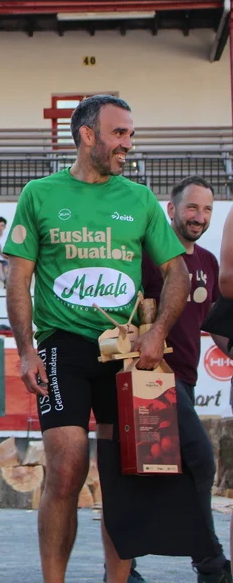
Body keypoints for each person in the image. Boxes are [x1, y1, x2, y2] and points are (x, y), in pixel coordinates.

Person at [3, 94, 188, 583]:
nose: (129, 143)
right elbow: (18, 279)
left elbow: (177, 271)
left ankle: (117, 579)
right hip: (62, 346)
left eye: (130, 133)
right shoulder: (39, 194)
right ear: (88, 135)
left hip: (126, 353)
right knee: (67, 468)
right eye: (119, 133)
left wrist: (158, 333)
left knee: (121, 477)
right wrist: (26, 350)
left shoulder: (140, 199)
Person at [137, 176, 230, 583]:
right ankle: (211, 563)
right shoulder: (149, 257)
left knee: (160, 473)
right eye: (192, 207)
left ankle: (124, 569)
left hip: (187, 381)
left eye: (207, 209)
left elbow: (216, 324)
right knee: (199, 461)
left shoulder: (208, 262)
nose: (200, 217)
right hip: (151, 380)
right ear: (171, 209)